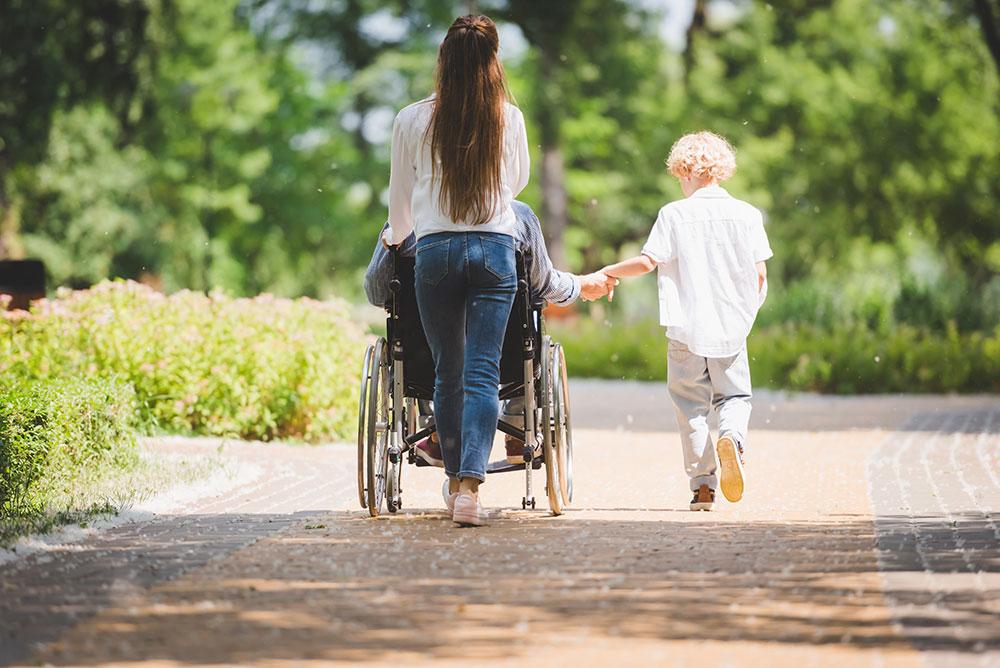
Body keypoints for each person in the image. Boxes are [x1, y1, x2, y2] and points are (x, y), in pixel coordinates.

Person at [384, 15, 612, 526]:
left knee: (449, 371)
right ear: (493, 65)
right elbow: (518, 183)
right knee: (484, 370)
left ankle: (452, 479)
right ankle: (470, 488)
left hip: (436, 251)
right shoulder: (509, 117)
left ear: (443, 61)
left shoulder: (411, 119)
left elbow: (400, 202)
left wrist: (400, 239)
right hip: (494, 250)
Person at [364, 200, 615, 469]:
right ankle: (518, 424)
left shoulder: (408, 217)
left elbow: (378, 292)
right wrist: (579, 284)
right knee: (526, 312)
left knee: (425, 332)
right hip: (506, 359)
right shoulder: (516, 215)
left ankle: (436, 430)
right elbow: (542, 285)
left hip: (424, 362)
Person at [601, 131, 771, 512]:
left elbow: (647, 262)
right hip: (730, 327)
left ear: (686, 171)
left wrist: (608, 271)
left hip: (685, 331)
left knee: (690, 407)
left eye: (679, 175)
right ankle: (731, 437)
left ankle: (703, 487)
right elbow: (759, 274)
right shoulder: (747, 214)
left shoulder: (673, 214)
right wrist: (745, 314)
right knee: (735, 397)